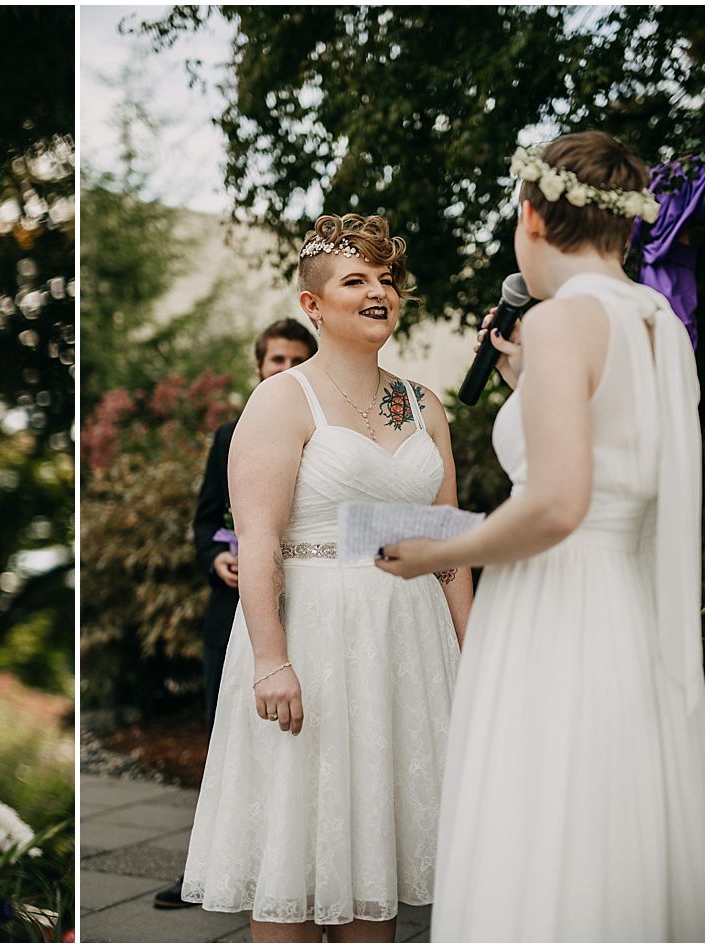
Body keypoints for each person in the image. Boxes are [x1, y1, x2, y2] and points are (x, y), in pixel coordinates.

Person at [376, 131, 703, 942]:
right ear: (622, 227)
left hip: (556, 602)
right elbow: (625, 455)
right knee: (603, 807)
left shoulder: (565, 322)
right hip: (627, 605)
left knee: (540, 807)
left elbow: (558, 505)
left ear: (530, 214)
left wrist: (436, 552)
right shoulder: (659, 319)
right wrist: (526, 384)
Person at [181, 213, 473, 942]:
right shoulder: (283, 400)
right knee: (295, 870)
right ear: (313, 305)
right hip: (313, 639)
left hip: (409, 647)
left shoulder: (423, 403)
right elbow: (259, 541)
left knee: (376, 874)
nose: (379, 292)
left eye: (388, 280)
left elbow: (448, 544)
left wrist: (473, 665)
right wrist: (272, 659)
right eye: (357, 280)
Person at [155, 318, 314, 911]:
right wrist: (216, 558)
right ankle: (211, 864)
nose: (285, 369)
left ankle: (290, 864)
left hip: (305, 599)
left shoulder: (323, 430)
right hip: (231, 609)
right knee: (224, 734)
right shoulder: (229, 434)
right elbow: (203, 519)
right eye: (276, 360)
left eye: (297, 359)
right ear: (259, 366)